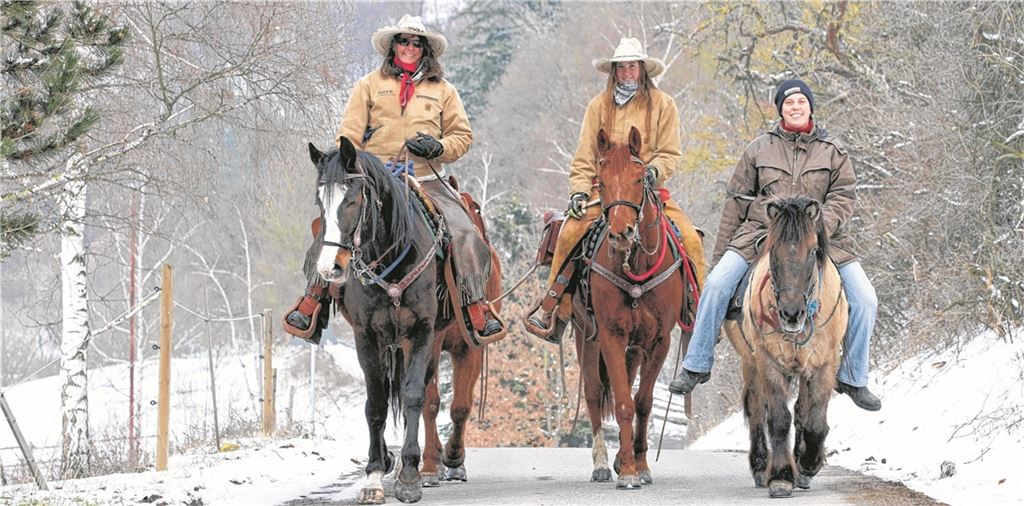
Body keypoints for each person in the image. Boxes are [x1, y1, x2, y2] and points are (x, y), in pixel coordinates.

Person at [667, 79, 881, 411]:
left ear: (810, 106)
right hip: (760, 234)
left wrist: (819, 224)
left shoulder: (833, 151)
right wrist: (723, 254)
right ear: (780, 109)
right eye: (789, 102)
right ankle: (696, 363)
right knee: (717, 284)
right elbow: (736, 202)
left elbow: (844, 197)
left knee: (865, 298)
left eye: (801, 102)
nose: (796, 107)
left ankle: (853, 376)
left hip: (821, 238)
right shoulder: (758, 149)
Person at [284, 14, 501, 342]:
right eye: (404, 41)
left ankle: (475, 303)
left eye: (417, 43)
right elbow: (350, 135)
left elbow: (462, 136)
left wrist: (437, 146)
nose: (410, 47)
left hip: (427, 179)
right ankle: (313, 297)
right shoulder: (368, 85)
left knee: (464, 230)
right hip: (376, 180)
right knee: (331, 225)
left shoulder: (443, 90)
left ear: (425, 49)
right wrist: (351, 165)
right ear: (393, 46)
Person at [525, 37, 707, 341]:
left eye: (631, 66)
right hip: (604, 193)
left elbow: (670, 153)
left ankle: (697, 314)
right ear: (614, 70)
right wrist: (579, 191)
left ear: (642, 69)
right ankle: (556, 308)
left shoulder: (664, 105)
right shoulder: (598, 106)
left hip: (648, 191)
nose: (626, 72)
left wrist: (653, 171)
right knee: (570, 232)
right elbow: (584, 155)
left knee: (690, 239)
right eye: (620, 67)